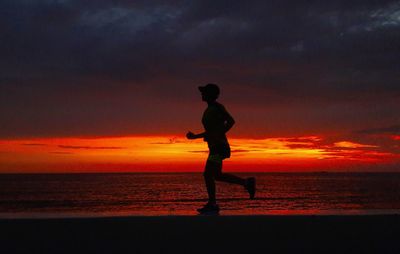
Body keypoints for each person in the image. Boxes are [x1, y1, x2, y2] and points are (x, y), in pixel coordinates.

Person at [186, 83, 256, 214]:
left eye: (204, 92)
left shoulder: (217, 107)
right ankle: (246, 183)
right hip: (214, 146)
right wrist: (195, 136)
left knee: (208, 174)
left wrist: (218, 134)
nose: (202, 94)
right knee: (216, 175)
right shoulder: (209, 109)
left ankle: (212, 204)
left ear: (211, 94)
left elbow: (230, 121)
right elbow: (211, 131)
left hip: (219, 147)